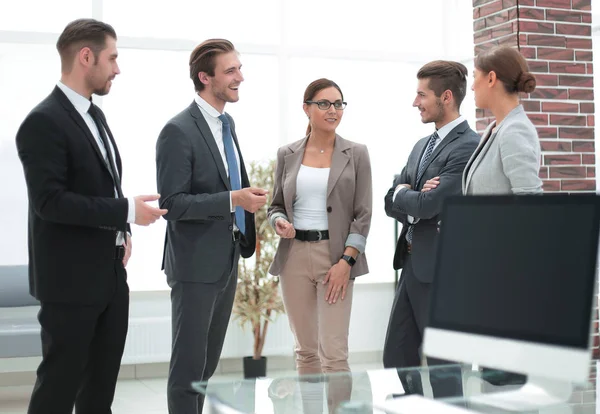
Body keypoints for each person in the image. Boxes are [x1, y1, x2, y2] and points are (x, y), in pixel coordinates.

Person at [15, 18, 167, 414]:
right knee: (58, 390)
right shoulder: (42, 121)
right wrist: (127, 210)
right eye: (112, 58)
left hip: (111, 275)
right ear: (87, 57)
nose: (117, 68)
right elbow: (49, 202)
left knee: (100, 392)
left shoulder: (94, 115)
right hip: (69, 284)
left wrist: (121, 230)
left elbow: (98, 184)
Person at [156, 38, 266, 414]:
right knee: (188, 371)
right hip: (194, 266)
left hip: (225, 258)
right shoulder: (178, 130)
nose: (240, 77)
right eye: (231, 71)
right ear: (205, 77)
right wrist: (232, 200)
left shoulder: (226, 123)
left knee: (204, 368)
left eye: (239, 68)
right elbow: (173, 204)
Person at [424, 46, 543, 387]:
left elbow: (530, 207)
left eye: (475, 79)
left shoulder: (515, 131)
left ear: (492, 78)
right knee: (492, 380)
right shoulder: (495, 129)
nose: (472, 87)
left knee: (505, 383)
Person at [267, 78, 372, 412]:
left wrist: (347, 262)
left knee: (334, 353)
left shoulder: (356, 153)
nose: (333, 110)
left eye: (339, 104)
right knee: (306, 351)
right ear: (306, 108)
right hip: (294, 256)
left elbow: (363, 214)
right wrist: (278, 222)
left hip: (337, 259)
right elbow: (275, 207)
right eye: (325, 104)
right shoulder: (288, 154)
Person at [383, 61, 479, 399]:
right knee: (396, 355)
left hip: (441, 272)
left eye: (421, 94)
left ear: (447, 97)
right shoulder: (420, 146)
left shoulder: (468, 145)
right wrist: (409, 197)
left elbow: (430, 205)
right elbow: (389, 200)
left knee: (443, 367)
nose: (415, 102)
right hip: (411, 265)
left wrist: (409, 198)